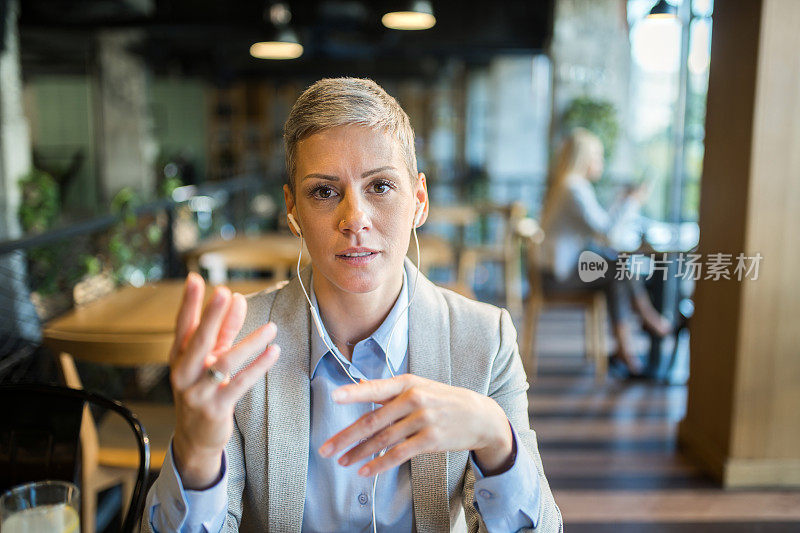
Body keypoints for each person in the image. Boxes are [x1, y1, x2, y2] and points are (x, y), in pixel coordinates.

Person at [141, 78, 562, 532]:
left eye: (380, 186)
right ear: (293, 210)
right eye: (324, 191)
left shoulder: (485, 339)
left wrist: (496, 437)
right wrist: (197, 453)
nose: (354, 219)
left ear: (419, 200)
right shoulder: (241, 346)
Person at [539, 128, 672, 376]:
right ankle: (645, 319)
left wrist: (622, 203)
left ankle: (627, 344)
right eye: (598, 156)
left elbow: (601, 231)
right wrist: (631, 201)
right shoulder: (573, 188)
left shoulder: (569, 186)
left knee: (616, 272)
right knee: (617, 270)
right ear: (584, 158)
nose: (601, 162)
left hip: (560, 270)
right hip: (557, 278)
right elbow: (606, 233)